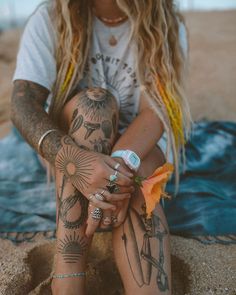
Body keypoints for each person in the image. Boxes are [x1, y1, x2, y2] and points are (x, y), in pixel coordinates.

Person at [11, 0, 191, 294]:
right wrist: (74, 160)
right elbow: (22, 103)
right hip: (76, 141)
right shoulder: (52, 17)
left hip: (139, 144)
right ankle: (68, 271)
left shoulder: (165, 21)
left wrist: (118, 165)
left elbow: (155, 110)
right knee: (94, 105)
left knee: (137, 179)